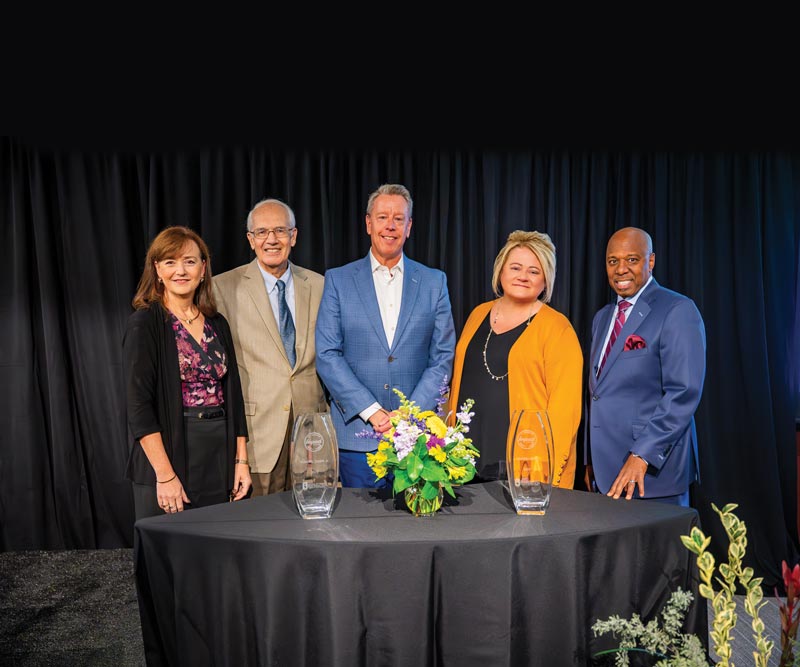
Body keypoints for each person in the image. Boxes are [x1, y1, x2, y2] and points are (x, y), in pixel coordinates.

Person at [315, 183, 456, 488]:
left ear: (409, 227)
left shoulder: (434, 282)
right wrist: (373, 412)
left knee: (416, 532)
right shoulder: (338, 280)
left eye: (398, 219)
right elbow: (327, 355)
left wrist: (408, 414)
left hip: (418, 439)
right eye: (382, 217)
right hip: (357, 438)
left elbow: (442, 356)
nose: (390, 226)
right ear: (368, 223)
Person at [123, 226, 251, 520]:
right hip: (169, 453)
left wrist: (241, 461)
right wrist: (165, 475)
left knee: (215, 548)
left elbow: (234, 396)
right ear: (157, 269)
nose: (180, 270)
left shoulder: (217, 323)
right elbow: (138, 407)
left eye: (190, 261)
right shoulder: (145, 324)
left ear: (203, 268)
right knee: (170, 557)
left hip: (218, 453)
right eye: (170, 262)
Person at [447, 230, 583, 487]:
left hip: (523, 469)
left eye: (534, 271)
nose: (523, 276)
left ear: (546, 280)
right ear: (500, 271)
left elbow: (565, 412)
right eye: (516, 267)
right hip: (462, 463)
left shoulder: (558, 329)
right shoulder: (478, 314)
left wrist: (542, 475)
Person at [584, 226, 706, 506]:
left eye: (632, 259)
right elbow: (597, 394)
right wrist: (590, 459)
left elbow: (683, 393)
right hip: (606, 474)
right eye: (613, 261)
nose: (621, 269)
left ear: (650, 261)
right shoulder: (602, 318)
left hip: (651, 474)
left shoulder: (677, 310)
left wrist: (642, 455)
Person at [213, 198, 327, 496]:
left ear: (294, 236)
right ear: (251, 240)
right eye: (262, 232)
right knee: (259, 526)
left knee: (311, 523)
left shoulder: (321, 285)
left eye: (280, 230)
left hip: (311, 430)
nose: (272, 240)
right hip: (257, 432)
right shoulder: (222, 287)